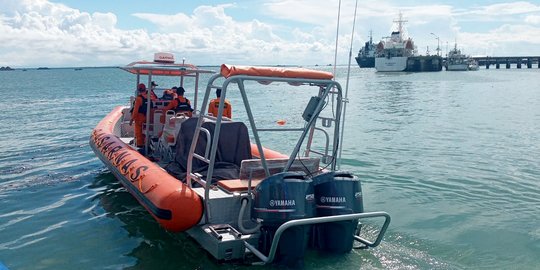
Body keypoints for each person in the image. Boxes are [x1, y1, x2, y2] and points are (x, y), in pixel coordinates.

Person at [130, 83, 152, 148]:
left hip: (139, 118)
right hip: (147, 117)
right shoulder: (149, 97)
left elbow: (135, 111)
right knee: (144, 133)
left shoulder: (139, 99)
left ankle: (139, 146)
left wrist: (132, 119)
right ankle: (145, 145)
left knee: (139, 133)